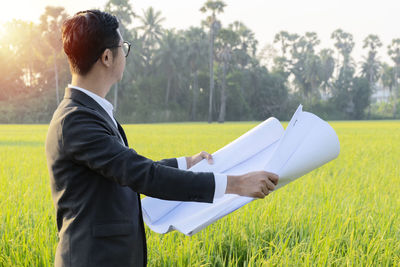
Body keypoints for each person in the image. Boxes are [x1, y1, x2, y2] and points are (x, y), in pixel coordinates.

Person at [45, 9, 279, 267]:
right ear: (107, 57)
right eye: (123, 47)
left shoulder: (89, 112)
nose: (125, 54)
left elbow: (126, 169)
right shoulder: (76, 120)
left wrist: (185, 162)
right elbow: (142, 174)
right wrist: (236, 184)